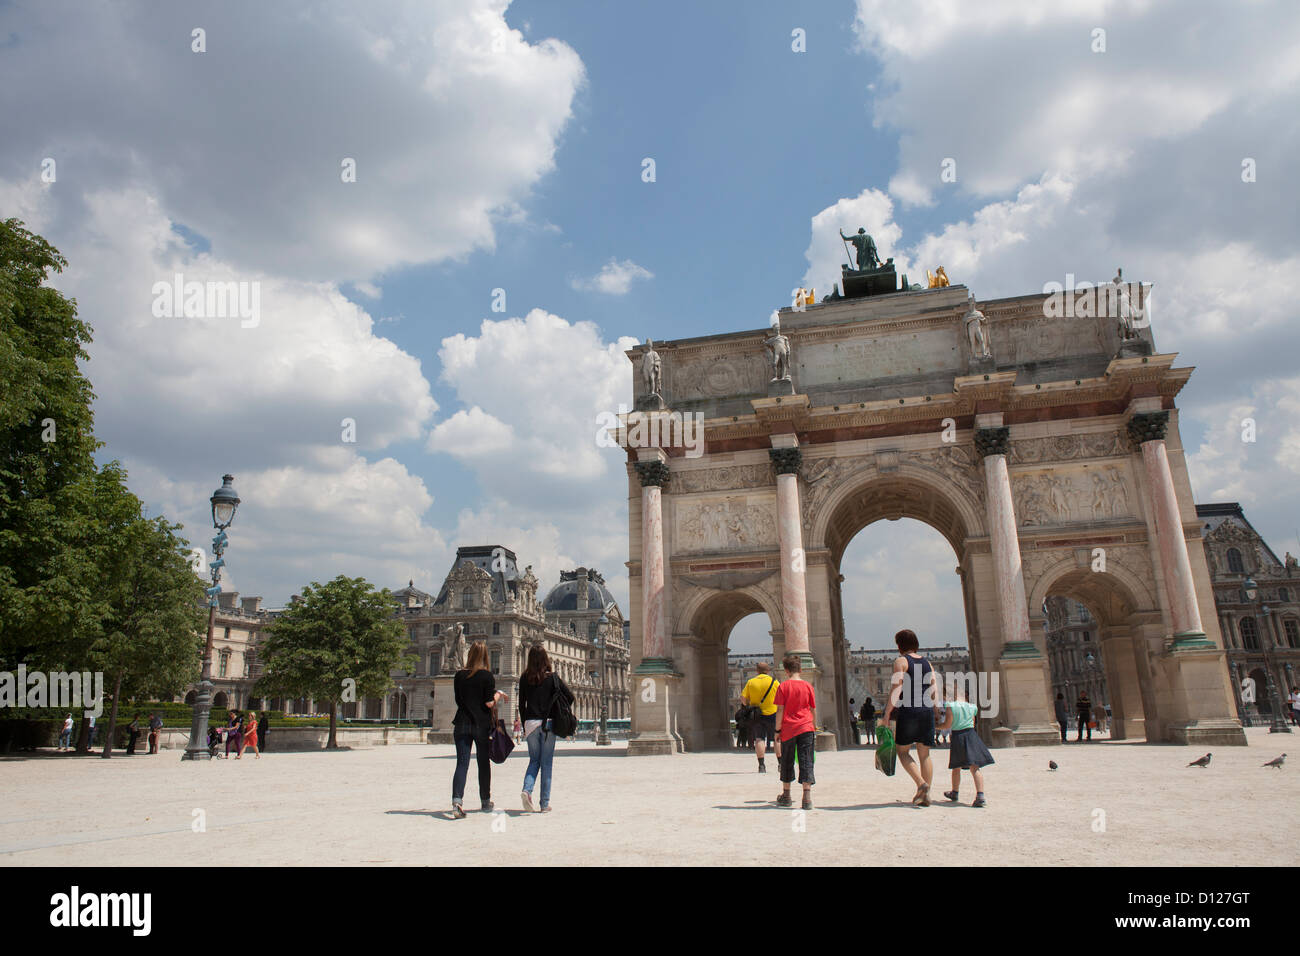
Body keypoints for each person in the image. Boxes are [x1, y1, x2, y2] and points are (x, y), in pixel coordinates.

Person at [882, 629, 939, 807]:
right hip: (926, 710)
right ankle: (925, 794)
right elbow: (934, 689)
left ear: (899, 645)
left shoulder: (901, 661)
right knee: (925, 754)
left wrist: (887, 713)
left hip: (910, 709)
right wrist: (936, 710)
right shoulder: (928, 663)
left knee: (903, 751)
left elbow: (897, 689)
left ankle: (921, 784)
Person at [451, 640, 506, 819]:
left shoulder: (459, 676)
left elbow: (459, 701)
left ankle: (457, 801)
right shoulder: (487, 676)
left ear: (469, 654)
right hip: (481, 725)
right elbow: (489, 703)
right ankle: (485, 801)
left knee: (462, 763)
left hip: (461, 723)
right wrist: (498, 695)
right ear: (485, 656)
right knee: (483, 763)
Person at [517, 644, 573, 813]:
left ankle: (527, 790)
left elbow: (521, 704)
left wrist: (526, 723)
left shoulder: (524, 678)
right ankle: (544, 804)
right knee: (546, 763)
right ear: (546, 659)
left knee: (534, 761)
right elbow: (570, 697)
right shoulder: (553, 678)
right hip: (549, 724)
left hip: (531, 724)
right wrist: (558, 709)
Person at [938, 683, 994, 807]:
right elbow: (973, 723)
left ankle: (955, 792)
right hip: (971, 735)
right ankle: (980, 795)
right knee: (975, 767)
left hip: (958, 736)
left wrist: (935, 726)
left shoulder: (950, 706)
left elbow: (947, 725)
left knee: (956, 767)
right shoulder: (972, 707)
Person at [773, 654, 817, 810]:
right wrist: (814, 726)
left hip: (789, 728)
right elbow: (812, 709)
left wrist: (777, 730)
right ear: (801, 669)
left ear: (786, 670)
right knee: (806, 760)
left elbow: (780, 710)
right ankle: (806, 797)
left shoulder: (783, 686)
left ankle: (786, 795)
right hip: (806, 727)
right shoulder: (808, 686)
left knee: (787, 760)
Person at [740, 662, 780, 773]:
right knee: (777, 739)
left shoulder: (751, 682)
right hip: (773, 712)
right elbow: (781, 697)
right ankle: (780, 764)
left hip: (757, 714)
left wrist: (748, 704)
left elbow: (743, 698)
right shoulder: (774, 682)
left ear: (756, 670)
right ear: (768, 670)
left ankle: (761, 765)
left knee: (759, 738)